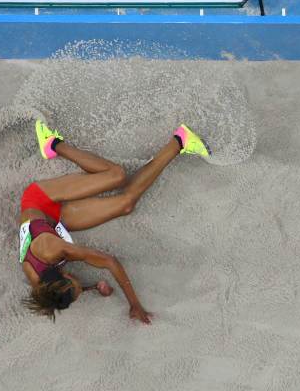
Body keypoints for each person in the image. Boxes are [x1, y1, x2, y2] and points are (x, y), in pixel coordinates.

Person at [19, 120, 211, 324]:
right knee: (126, 204)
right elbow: (64, 290)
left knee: (117, 175)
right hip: (55, 222)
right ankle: (179, 142)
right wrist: (92, 288)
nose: (79, 286)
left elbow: (109, 262)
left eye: (76, 286)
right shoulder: (43, 286)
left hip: (41, 200)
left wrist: (134, 304)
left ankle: (52, 143)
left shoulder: (53, 249)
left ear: (64, 278)